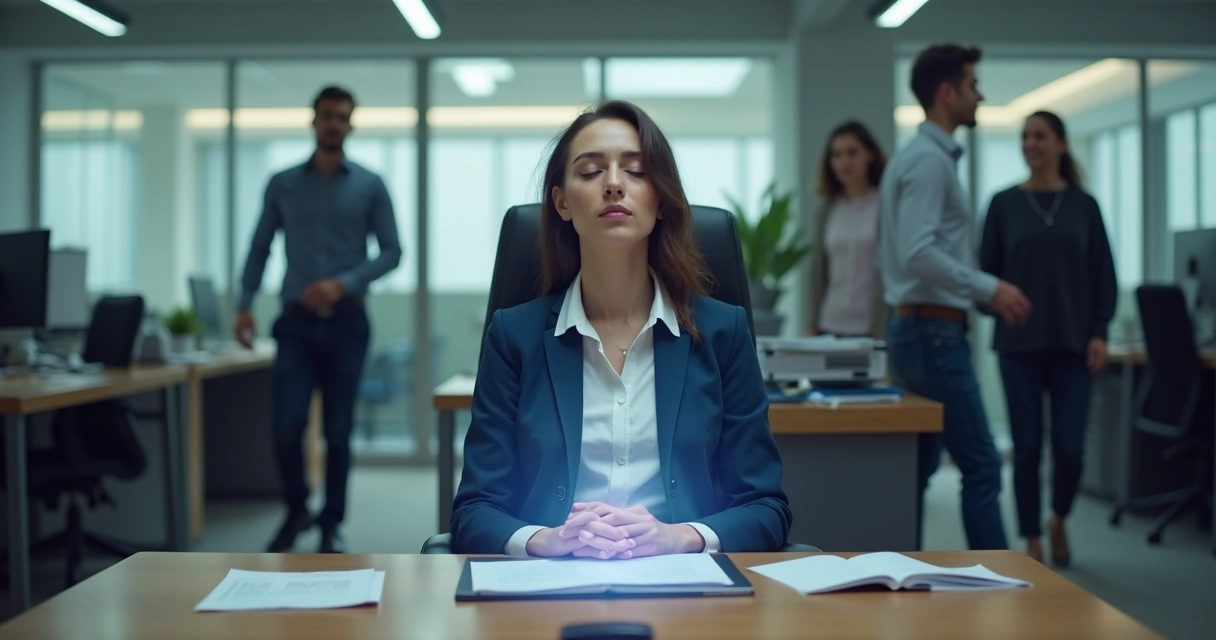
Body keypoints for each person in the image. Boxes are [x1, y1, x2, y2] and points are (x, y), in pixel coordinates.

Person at [450, 100, 791, 557]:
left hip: (685, 584)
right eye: (590, 172)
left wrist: (681, 536)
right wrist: (545, 540)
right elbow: (474, 508)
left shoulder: (722, 333)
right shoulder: (514, 336)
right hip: (548, 584)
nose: (613, 184)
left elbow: (766, 506)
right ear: (562, 202)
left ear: (662, 199)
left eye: (636, 171)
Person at [235, 86, 403, 554]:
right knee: (286, 425)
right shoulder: (282, 183)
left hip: (348, 323)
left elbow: (392, 251)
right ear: (313, 121)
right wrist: (244, 303)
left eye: (342, 117)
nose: (334, 124)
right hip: (294, 324)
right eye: (327, 116)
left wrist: (344, 282)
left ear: (351, 125)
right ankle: (296, 510)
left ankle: (331, 525)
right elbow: (259, 246)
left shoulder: (370, 184)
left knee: (337, 430)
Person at [878, 43, 1031, 551]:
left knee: (915, 472)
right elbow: (919, 252)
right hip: (932, 332)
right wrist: (994, 287)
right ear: (947, 93)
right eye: (972, 85)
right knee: (984, 466)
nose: (980, 95)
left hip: (920, 328)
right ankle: (1008, 591)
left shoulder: (917, 158)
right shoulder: (928, 162)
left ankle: (906, 577)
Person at [979, 111, 1117, 567]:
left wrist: (1099, 332)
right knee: (1027, 446)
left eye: (1039, 136)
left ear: (1060, 143)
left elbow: (1104, 278)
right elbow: (985, 278)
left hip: (1073, 345)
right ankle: (1032, 537)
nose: (1030, 144)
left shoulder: (1085, 206)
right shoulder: (1002, 205)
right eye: (1024, 137)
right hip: (1018, 345)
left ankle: (1058, 516)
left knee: (1070, 446)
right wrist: (995, 302)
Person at [808, 121, 889, 338]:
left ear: (870, 154)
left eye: (852, 153)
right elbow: (819, 270)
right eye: (836, 155)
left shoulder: (885, 206)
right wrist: (812, 321)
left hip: (872, 327)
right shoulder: (827, 210)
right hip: (830, 323)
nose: (844, 162)